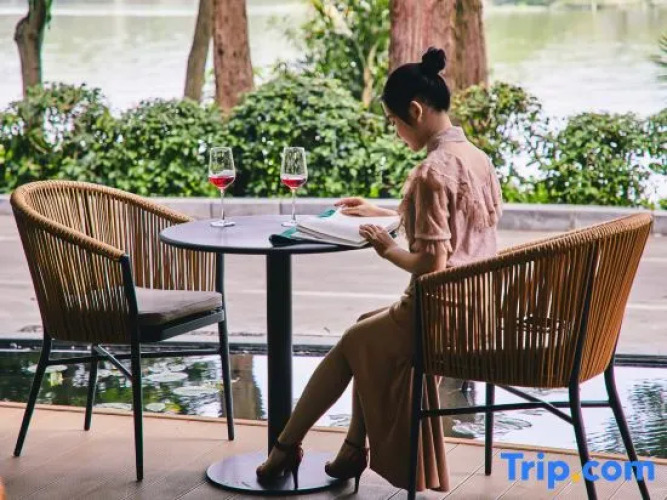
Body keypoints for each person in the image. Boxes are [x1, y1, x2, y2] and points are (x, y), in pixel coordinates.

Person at [256, 47, 503, 493]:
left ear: (415, 111)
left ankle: (286, 446)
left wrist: (387, 249)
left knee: (354, 341)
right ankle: (352, 447)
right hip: (477, 308)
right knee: (363, 329)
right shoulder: (476, 158)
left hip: (439, 315)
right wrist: (383, 212)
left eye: (394, 122)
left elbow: (431, 263)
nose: (396, 132)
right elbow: (453, 226)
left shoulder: (430, 172)